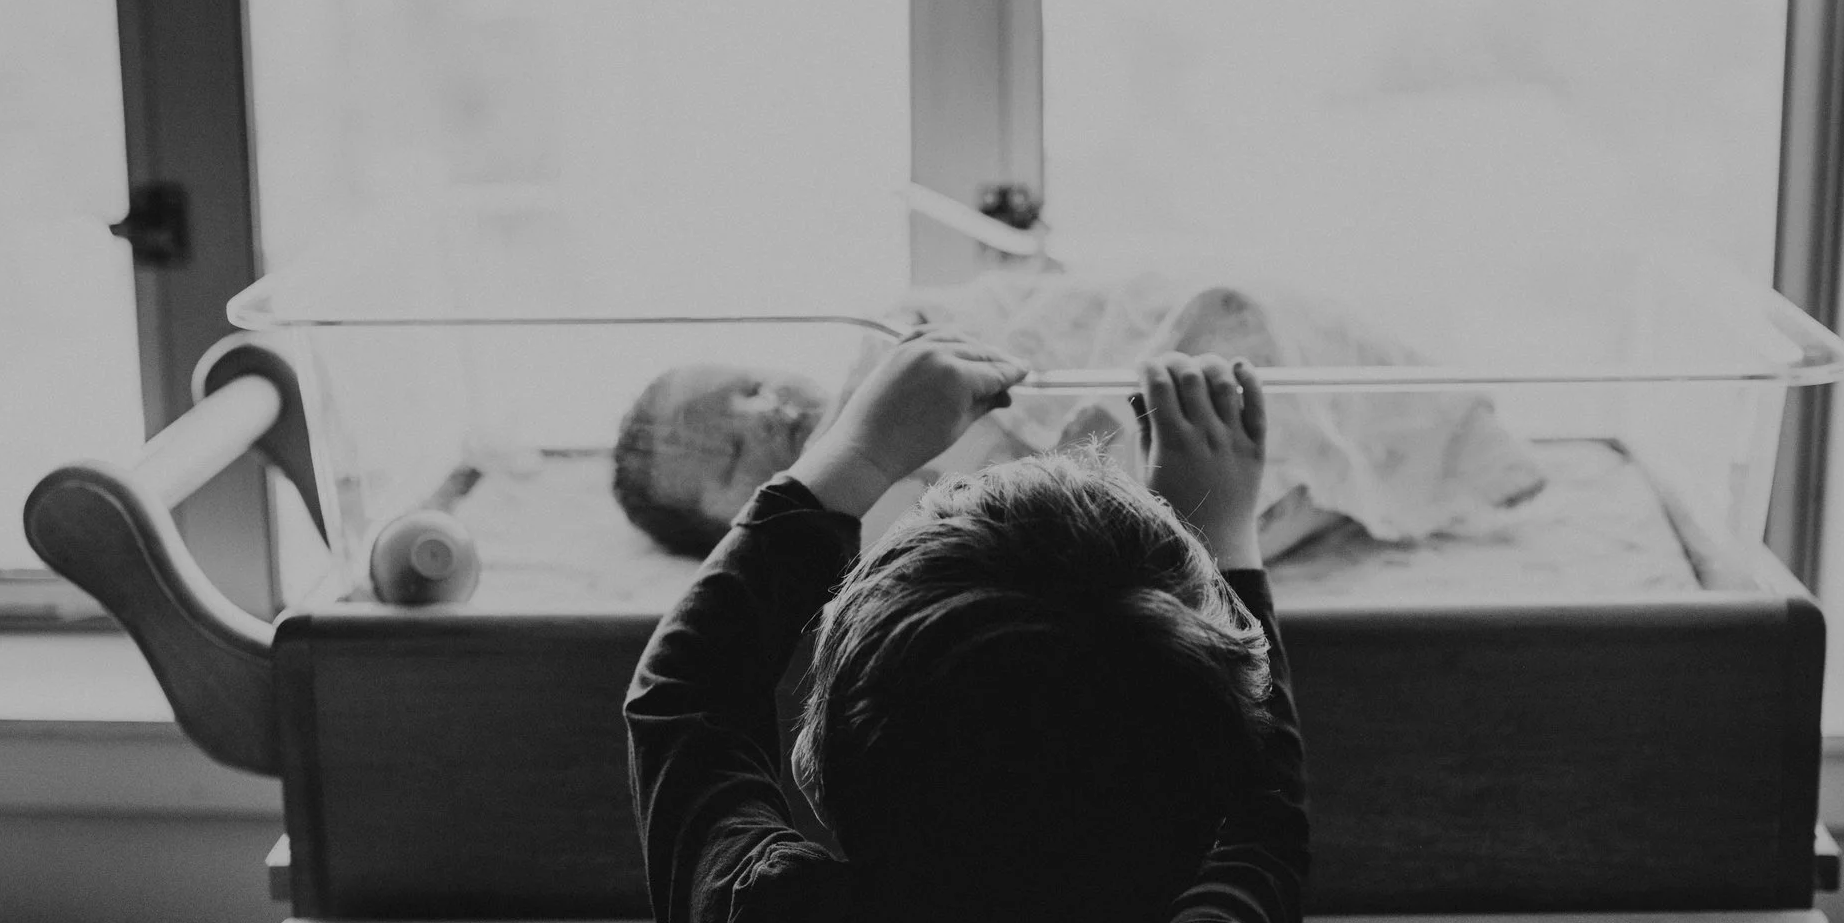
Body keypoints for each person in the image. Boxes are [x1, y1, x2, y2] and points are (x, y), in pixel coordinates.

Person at [624, 332, 1309, 923]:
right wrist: (1224, 537)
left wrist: (855, 455)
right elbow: (1262, 817)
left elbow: (686, 697)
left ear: (818, 759)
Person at [613, 269, 1546, 560]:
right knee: (1208, 375)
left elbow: (1014, 322)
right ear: (734, 524)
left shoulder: (879, 360)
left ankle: (1406, 439)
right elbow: (1016, 504)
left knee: (1226, 318)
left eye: (744, 385)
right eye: (733, 443)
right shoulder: (858, 526)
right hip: (1084, 479)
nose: (766, 408)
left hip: (1078, 405)